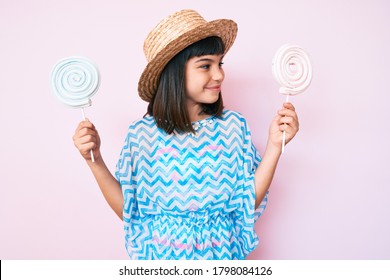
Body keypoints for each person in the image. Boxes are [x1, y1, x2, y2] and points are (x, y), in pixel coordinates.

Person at [73, 9, 299, 260]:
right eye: (205, 65)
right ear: (174, 72)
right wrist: (93, 159)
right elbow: (130, 211)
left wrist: (275, 146)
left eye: (220, 63)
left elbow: (246, 203)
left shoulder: (233, 127)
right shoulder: (142, 135)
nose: (219, 74)